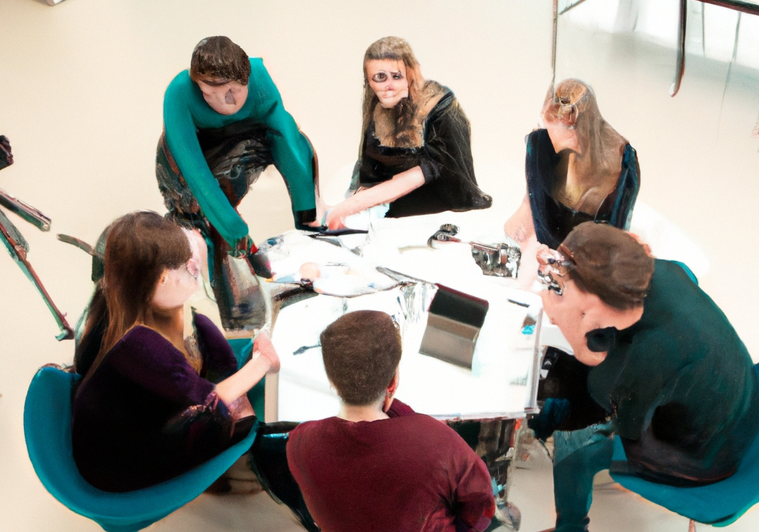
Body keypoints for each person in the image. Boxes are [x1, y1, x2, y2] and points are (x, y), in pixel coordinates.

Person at [496, 222, 759, 532]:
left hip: (702, 455)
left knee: (574, 445)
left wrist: (566, 320)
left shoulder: (652, 355)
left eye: (584, 309)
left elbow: (625, 418)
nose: (577, 312)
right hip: (738, 407)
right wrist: (565, 270)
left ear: (602, 305)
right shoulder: (661, 271)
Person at [286, 310, 495, 532]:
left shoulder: (300, 442)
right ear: (393, 381)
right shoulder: (436, 441)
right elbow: (481, 506)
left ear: (332, 380)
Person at [72, 211, 280, 493]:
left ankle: (241, 453)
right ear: (161, 279)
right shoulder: (140, 344)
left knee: (221, 365)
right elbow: (211, 397)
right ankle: (238, 468)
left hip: (129, 429)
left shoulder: (120, 309)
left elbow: (217, 368)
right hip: (123, 465)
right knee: (250, 429)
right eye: (185, 265)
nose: (194, 267)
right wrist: (263, 361)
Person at [156, 36, 317, 329]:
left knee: (301, 145)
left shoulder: (260, 78)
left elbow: (287, 140)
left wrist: (308, 215)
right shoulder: (178, 94)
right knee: (203, 213)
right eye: (208, 94)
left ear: (246, 79)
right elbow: (197, 175)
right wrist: (237, 234)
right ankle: (242, 313)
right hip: (195, 154)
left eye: (232, 91)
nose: (223, 102)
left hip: (244, 134)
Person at [323, 37, 491, 229]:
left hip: (438, 202)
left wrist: (349, 207)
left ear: (410, 74)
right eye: (379, 77)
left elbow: (433, 171)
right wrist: (354, 204)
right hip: (388, 204)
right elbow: (370, 169)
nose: (389, 86)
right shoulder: (377, 109)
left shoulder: (440, 106)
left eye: (397, 76)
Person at [505, 79, 639, 251]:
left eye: (554, 129)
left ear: (573, 127)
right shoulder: (541, 148)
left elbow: (613, 244)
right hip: (548, 255)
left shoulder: (621, 166)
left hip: (588, 260)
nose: (550, 137)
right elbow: (523, 218)